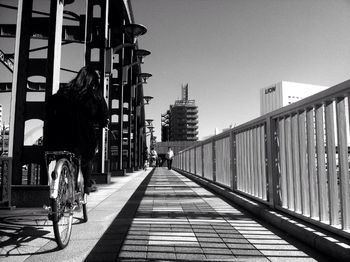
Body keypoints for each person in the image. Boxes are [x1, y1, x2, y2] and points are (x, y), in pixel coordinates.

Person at [45, 66, 109, 194]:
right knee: (87, 156)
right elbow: (103, 117)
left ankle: (62, 185)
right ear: (93, 82)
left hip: (57, 139)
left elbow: (49, 107)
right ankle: (86, 185)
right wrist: (102, 122)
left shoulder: (63, 92)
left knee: (63, 154)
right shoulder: (94, 96)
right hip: (81, 141)